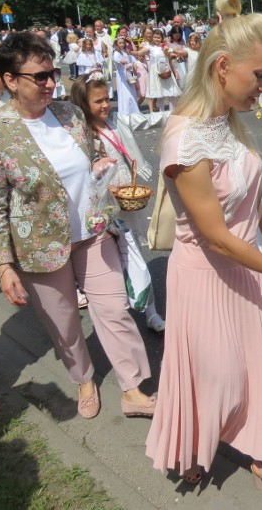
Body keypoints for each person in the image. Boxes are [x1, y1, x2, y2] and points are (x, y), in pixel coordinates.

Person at [145, 0, 262, 504]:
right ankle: (195, 446)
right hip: (207, 274)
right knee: (217, 373)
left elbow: (241, 191)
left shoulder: (227, 119)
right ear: (223, 67)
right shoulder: (185, 140)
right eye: (260, 76)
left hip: (246, 262)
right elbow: (217, 235)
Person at [0, 32, 156, 420]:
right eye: (39, 76)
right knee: (65, 321)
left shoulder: (70, 115)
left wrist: (100, 167)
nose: (51, 82)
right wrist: (3, 266)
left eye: (52, 72)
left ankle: (132, 388)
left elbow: (91, 157)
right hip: (39, 246)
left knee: (115, 310)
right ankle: (84, 378)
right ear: (10, 80)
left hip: (92, 233)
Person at [69, 73, 166, 331]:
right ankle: (117, 312)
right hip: (101, 210)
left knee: (135, 255)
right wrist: (102, 184)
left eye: (107, 99)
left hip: (127, 204)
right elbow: (78, 177)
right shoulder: (79, 138)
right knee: (111, 263)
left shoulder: (117, 122)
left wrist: (181, 115)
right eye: (98, 101)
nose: (105, 105)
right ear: (82, 105)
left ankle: (151, 312)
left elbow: (148, 119)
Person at [111, 36, 140, 115]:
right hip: (121, 74)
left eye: (123, 43)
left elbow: (133, 61)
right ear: (117, 44)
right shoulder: (116, 52)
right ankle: (125, 110)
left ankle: (133, 110)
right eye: (120, 43)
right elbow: (116, 59)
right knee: (124, 92)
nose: (121, 45)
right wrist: (121, 61)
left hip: (128, 73)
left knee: (131, 91)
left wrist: (130, 65)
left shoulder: (127, 51)